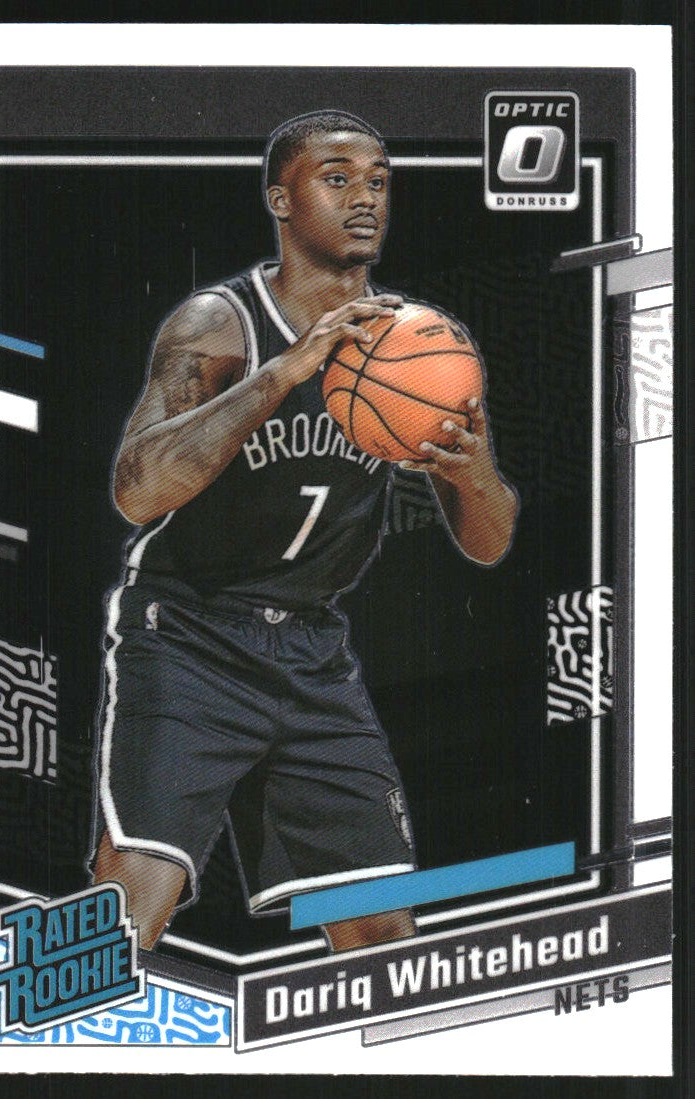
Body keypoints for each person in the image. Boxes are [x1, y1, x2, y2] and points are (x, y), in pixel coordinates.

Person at [89, 110, 518, 953]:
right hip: (188, 635)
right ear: (280, 200)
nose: (365, 198)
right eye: (337, 178)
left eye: (379, 181)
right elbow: (137, 492)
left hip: (312, 652)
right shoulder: (218, 325)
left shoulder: (422, 345)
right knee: (136, 899)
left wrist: (472, 474)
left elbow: (489, 541)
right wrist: (281, 374)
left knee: (383, 931)